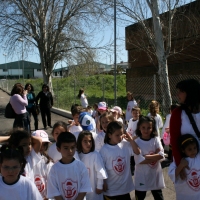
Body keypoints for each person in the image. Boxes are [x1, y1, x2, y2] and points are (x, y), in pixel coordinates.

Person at [100, 121, 140, 200]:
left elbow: (138, 152)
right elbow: (101, 169)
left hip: (124, 189)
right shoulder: (104, 150)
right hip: (111, 190)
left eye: (122, 134)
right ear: (109, 135)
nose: (120, 137)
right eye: (117, 135)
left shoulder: (125, 144)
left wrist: (131, 140)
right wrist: (103, 182)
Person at [47, 132, 92, 200]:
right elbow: (54, 192)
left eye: (72, 147)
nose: (70, 151)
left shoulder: (81, 166)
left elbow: (84, 188)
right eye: (66, 148)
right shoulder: (54, 169)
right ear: (58, 149)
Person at [170, 79, 200, 169]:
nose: (177, 94)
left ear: (191, 92)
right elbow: (174, 141)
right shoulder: (177, 113)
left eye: (181, 91)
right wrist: (180, 163)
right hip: (187, 164)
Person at [134, 116, 165, 200]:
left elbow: (162, 155)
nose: (146, 130)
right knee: (140, 197)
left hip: (154, 175)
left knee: (159, 197)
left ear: (153, 128)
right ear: (139, 127)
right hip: (141, 176)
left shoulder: (155, 139)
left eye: (149, 128)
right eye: (143, 127)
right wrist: (155, 156)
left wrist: (145, 157)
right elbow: (138, 161)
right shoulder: (137, 142)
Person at [77, 131, 108, 200]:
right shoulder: (78, 155)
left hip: (94, 189)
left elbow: (100, 171)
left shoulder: (95, 155)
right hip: (82, 190)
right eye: (85, 141)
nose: (88, 144)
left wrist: (99, 186)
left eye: (90, 141)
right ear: (80, 142)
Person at [168, 134, 200, 200]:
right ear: (183, 150)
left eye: (195, 148)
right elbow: (172, 175)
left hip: (198, 194)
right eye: (189, 149)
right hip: (184, 194)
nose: (193, 151)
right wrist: (181, 166)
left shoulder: (198, 158)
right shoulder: (179, 162)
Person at [31, 130, 53, 199]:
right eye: (39, 144)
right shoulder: (26, 161)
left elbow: (51, 183)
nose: (41, 147)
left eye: (44, 144)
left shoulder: (48, 162)